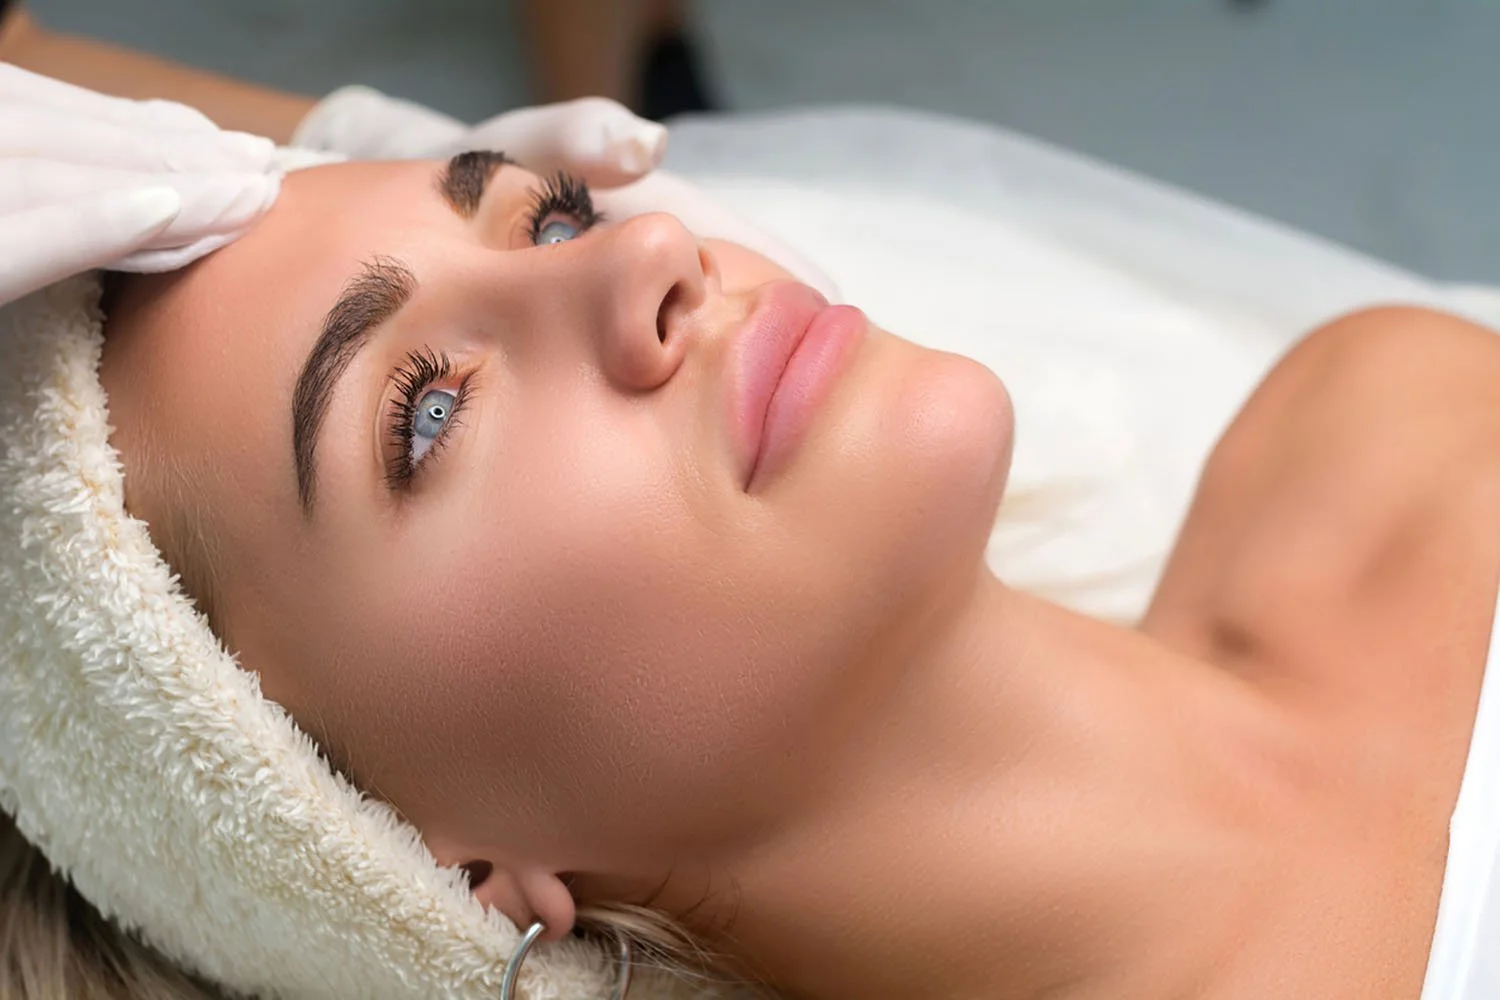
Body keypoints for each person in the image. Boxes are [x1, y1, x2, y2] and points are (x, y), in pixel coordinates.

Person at [6, 144, 1496, 999]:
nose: (649, 248)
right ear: (411, 862)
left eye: (552, 214)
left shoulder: (1390, 416)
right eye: (430, 413)